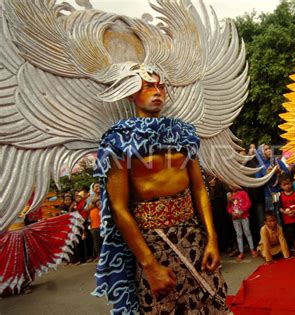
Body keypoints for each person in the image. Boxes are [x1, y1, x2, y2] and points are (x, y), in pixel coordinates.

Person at [93, 72, 227, 314]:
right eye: (148, 86)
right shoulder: (118, 140)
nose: (157, 91)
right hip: (152, 243)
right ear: (132, 94)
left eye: (160, 86)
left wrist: (212, 239)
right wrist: (150, 265)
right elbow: (119, 207)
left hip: (193, 235)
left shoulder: (183, 133)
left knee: (210, 302)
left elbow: (199, 188)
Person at [226, 186, 257, 262]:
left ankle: (252, 249)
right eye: (231, 184)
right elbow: (228, 208)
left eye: (234, 184)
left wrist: (242, 211)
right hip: (235, 219)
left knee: (247, 232)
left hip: (244, 216)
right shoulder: (230, 196)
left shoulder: (243, 193)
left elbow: (248, 203)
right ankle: (241, 252)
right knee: (239, 234)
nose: (233, 186)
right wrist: (232, 213)